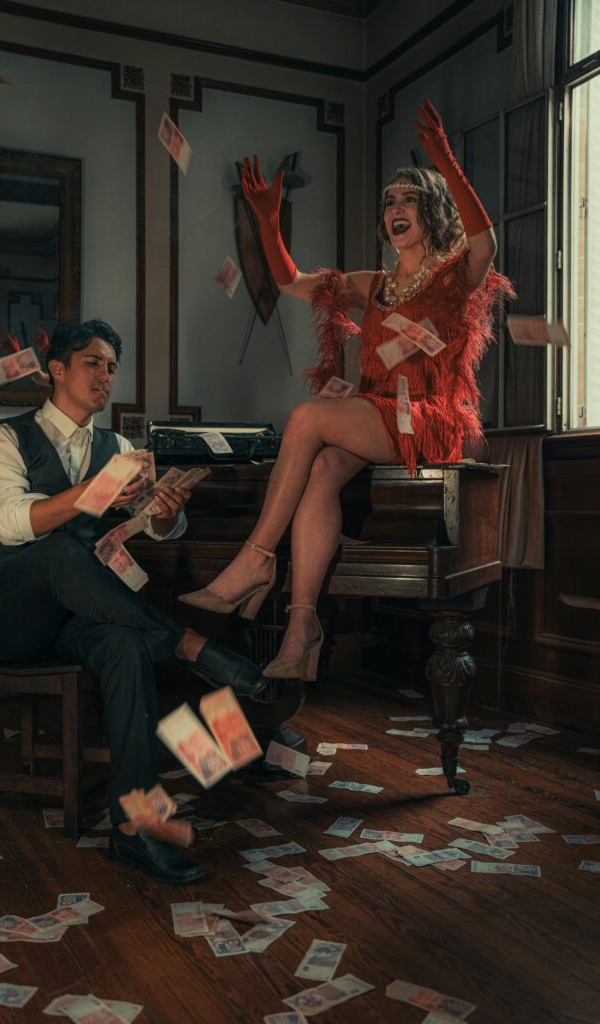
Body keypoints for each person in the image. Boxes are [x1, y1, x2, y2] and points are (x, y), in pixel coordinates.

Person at [180, 100, 514, 683]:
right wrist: (269, 218)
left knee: (309, 417)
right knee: (320, 471)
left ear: (432, 209)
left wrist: (444, 160)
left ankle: (256, 561)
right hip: (378, 414)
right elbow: (289, 281)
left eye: (408, 198)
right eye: (389, 201)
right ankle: (302, 626)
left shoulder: (455, 274)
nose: (395, 208)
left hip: (426, 418)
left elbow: (485, 243)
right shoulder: (376, 283)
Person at [0, 318, 268, 885]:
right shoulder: (3, 436)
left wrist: (167, 514)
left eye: (112, 367)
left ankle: (136, 828)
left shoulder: (118, 448)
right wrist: (94, 494)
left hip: (76, 615)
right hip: (3, 614)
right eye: (92, 363)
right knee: (55, 553)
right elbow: (8, 523)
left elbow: (153, 530)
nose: (105, 376)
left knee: (126, 644)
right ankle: (186, 644)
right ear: (56, 369)